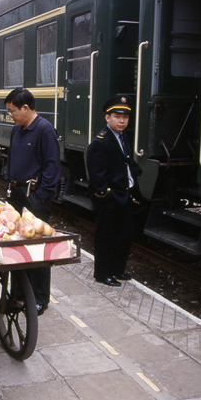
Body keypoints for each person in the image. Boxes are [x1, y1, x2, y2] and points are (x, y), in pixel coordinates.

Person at [4, 88, 61, 315]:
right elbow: (11, 159)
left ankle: (39, 298)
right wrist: (8, 184)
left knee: (37, 248)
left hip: (34, 196)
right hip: (16, 195)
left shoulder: (44, 130)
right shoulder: (17, 129)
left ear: (26, 108)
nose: (11, 115)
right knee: (16, 246)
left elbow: (52, 166)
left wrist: (40, 198)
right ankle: (17, 292)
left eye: (12, 111)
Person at [86, 95, 143, 287]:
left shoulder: (123, 137)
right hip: (110, 198)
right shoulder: (101, 141)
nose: (122, 120)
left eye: (125, 117)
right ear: (107, 118)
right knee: (106, 236)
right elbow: (96, 174)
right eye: (117, 116)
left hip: (124, 195)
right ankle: (103, 273)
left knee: (123, 235)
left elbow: (126, 162)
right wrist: (105, 194)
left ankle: (118, 270)